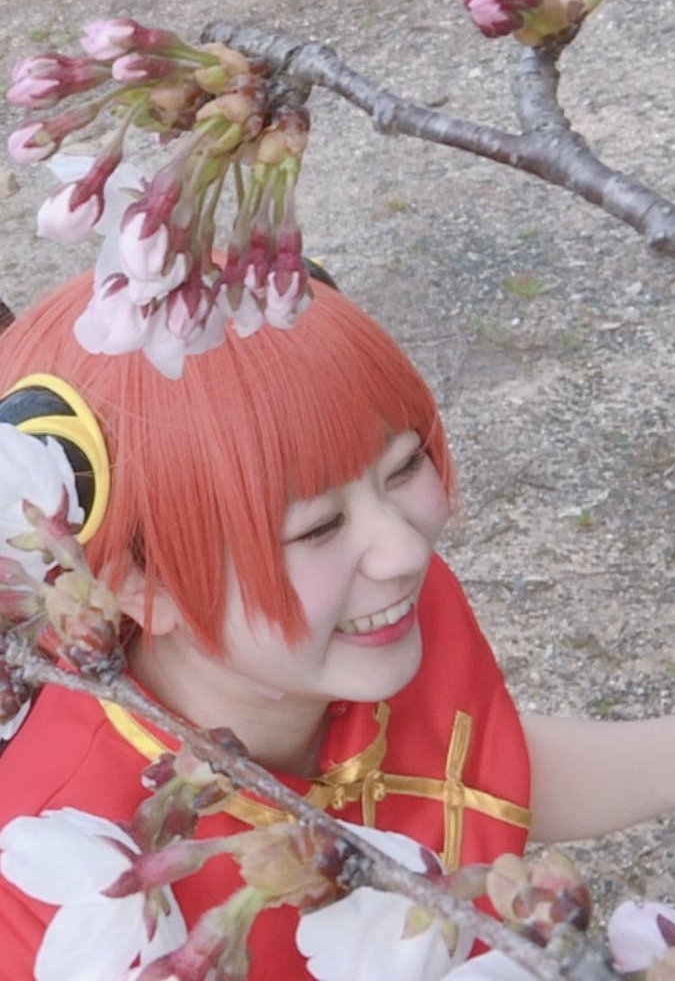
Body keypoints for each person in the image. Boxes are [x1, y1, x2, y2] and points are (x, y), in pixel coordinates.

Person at [0, 269, 672, 981]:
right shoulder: (46, 889)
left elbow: (471, 768)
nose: (403, 550)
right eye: (318, 527)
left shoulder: (361, 619)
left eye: (403, 465)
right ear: (136, 584)